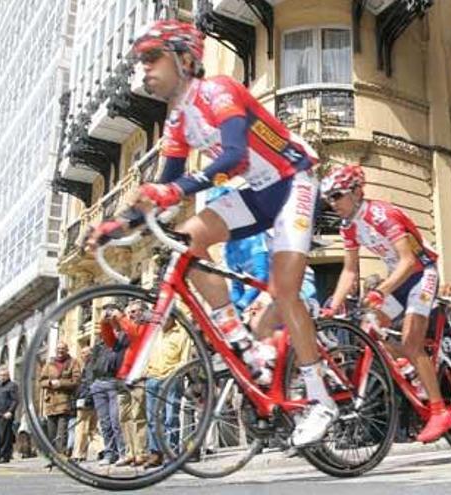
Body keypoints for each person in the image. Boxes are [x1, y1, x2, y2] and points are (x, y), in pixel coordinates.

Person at [87, 20, 335, 446]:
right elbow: (165, 188)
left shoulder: (217, 90)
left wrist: (173, 188)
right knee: (186, 240)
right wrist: (113, 227)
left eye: (152, 57)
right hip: (257, 193)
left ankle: (321, 400)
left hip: (292, 181)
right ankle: (241, 340)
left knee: (287, 290)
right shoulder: (178, 121)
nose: (143, 69)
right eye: (141, 60)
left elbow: (235, 156)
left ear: (184, 59)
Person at [320, 163, 451, 442]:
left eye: (337, 195)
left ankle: (440, 410)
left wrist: (380, 292)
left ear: (357, 192)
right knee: (369, 329)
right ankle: (411, 366)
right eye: (328, 198)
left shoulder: (382, 214)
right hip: (398, 280)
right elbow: (349, 271)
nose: (332, 204)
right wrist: (333, 306)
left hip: (421, 273)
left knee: (411, 340)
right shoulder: (348, 227)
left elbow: (408, 260)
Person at [100, 300, 149, 467]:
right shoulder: (125, 328)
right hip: (122, 378)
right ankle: (130, 452)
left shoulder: (145, 326)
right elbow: (109, 342)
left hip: (138, 376)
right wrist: (105, 324)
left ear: (143, 312)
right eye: (130, 312)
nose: (132, 314)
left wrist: (121, 317)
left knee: (138, 416)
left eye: (135, 311)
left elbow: (135, 335)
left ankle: (141, 452)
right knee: (124, 418)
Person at [144, 317, 191, 468]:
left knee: (171, 418)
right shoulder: (153, 332)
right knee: (153, 419)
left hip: (171, 378)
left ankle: (171, 454)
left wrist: (176, 374)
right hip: (152, 378)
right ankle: (156, 453)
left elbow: (185, 359)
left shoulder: (182, 334)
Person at [90, 302, 127, 466]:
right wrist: (91, 383)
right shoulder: (101, 342)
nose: (109, 316)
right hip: (99, 383)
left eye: (111, 313)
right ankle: (110, 453)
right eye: (106, 314)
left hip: (114, 382)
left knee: (116, 420)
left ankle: (122, 452)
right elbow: (92, 363)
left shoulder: (125, 335)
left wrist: (120, 319)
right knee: (104, 422)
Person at [39, 342, 80, 456]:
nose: (60, 351)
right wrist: (50, 383)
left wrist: (61, 383)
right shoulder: (49, 364)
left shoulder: (73, 363)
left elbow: (76, 381)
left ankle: (61, 456)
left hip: (64, 402)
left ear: (67, 350)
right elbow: (41, 381)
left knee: (61, 432)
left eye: (63, 349)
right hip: (51, 403)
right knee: (51, 433)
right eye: (58, 349)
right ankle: (52, 457)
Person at [71, 346, 97, 462]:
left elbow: (89, 383)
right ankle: (101, 449)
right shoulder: (89, 365)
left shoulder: (90, 366)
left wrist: (85, 397)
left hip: (87, 400)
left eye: (85, 353)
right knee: (92, 428)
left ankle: (78, 454)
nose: (83, 355)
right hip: (93, 399)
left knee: (81, 428)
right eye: (81, 353)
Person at [0, 368, 19, 464]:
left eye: (4, 375)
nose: (2, 377)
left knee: (4, 437)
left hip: (5, 415)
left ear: (8, 376)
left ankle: (5, 456)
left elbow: (15, 400)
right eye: (1, 375)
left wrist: (10, 411)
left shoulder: (12, 385)